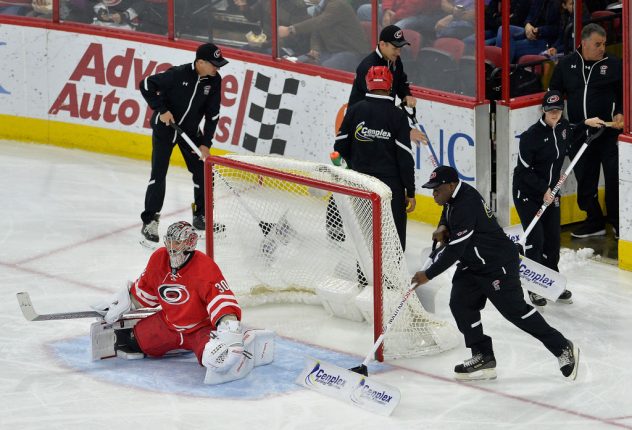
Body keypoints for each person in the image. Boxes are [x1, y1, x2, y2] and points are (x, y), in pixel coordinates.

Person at [411, 166, 579, 381]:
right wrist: (443, 225)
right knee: (461, 305)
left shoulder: (467, 203)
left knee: (516, 312)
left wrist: (428, 274)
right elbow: (447, 212)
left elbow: (454, 250)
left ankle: (562, 347)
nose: (433, 194)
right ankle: (483, 355)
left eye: (437, 190)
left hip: (496, 265)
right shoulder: (454, 196)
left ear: (451, 185)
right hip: (472, 264)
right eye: (432, 190)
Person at [91, 221, 274, 384]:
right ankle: (173, 344)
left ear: (189, 242)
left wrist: (230, 333)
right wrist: (123, 302)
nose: (171, 247)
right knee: (134, 341)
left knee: (213, 358)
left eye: (177, 242)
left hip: (201, 329)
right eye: (169, 241)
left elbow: (222, 301)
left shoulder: (204, 267)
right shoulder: (159, 259)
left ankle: (245, 344)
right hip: (169, 324)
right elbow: (146, 292)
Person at [513, 90, 605, 306]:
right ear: (543, 111)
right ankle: (535, 288)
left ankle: (550, 282)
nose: (554, 115)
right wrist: (543, 188)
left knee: (553, 241)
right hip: (528, 194)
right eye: (550, 111)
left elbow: (572, 129)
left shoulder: (563, 127)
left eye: (557, 111)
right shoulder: (530, 137)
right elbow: (524, 171)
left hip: (551, 193)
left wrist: (586, 123)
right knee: (536, 241)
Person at [138, 43, 227, 246]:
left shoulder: (214, 81)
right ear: (200, 62)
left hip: (190, 132)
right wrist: (161, 110)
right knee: (159, 173)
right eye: (214, 64)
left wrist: (206, 143)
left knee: (203, 171)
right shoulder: (177, 74)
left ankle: (201, 215)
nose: (217, 69)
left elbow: (213, 114)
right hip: (166, 129)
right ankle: (150, 220)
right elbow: (146, 85)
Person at [548, 23, 624, 239]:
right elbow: (553, 94)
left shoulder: (613, 64)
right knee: (585, 179)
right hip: (580, 133)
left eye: (604, 44)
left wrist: (620, 112)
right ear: (583, 43)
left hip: (608, 133)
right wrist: (557, 119)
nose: (602, 48)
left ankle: (619, 223)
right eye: (597, 44)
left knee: (613, 180)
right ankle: (594, 221)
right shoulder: (566, 64)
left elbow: (624, 93)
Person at [334, 66, 415, 250]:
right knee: (392, 239)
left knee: (365, 237)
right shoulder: (397, 115)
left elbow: (339, 147)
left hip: (360, 182)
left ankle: (364, 277)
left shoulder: (355, 110)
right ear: (390, 85)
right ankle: (390, 278)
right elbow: (405, 157)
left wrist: (353, 167)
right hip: (390, 187)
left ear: (368, 84)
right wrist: (410, 191)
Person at [348, 25, 427, 145]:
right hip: (363, 127)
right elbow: (377, 108)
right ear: (382, 44)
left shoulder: (393, 58)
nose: (398, 52)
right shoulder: (369, 68)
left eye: (400, 47)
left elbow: (400, 80)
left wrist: (406, 94)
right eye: (395, 48)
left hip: (380, 126)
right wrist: (406, 131)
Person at [277, 0, 369, 72]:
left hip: (353, 53)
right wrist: (315, 49)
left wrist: (291, 29)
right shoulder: (320, 8)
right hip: (331, 52)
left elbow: (319, 22)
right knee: (295, 64)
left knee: (322, 71)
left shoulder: (338, 5)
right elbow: (316, 32)